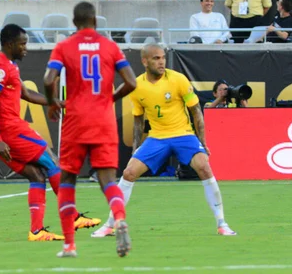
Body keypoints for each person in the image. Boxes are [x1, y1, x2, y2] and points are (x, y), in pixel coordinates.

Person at [91, 43, 237, 239]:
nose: (161, 62)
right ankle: (110, 224)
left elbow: (196, 112)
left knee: (204, 167)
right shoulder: (137, 85)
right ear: (145, 61)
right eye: (156, 58)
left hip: (183, 134)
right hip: (157, 138)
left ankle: (222, 223)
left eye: (163, 58)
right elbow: (137, 119)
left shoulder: (178, 79)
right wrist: (136, 148)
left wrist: (202, 142)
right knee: (129, 172)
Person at [0, 24, 101, 242]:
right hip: (8, 130)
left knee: (37, 175)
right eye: (22, 44)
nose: (26, 48)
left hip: (4, 131)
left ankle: (36, 231)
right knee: (53, 163)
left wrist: (56, 102)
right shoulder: (1, 67)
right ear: (10, 44)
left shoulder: (10, 65)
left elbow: (25, 93)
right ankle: (73, 216)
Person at [43, 2, 137, 257]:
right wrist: (111, 98)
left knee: (67, 180)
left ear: (74, 23)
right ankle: (118, 218)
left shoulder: (64, 46)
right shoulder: (110, 47)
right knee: (107, 179)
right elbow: (131, 82)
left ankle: (69, 245)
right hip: (103, 120)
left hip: (75, 120)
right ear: (95, 21)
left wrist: (52, 103)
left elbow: (48, 79)